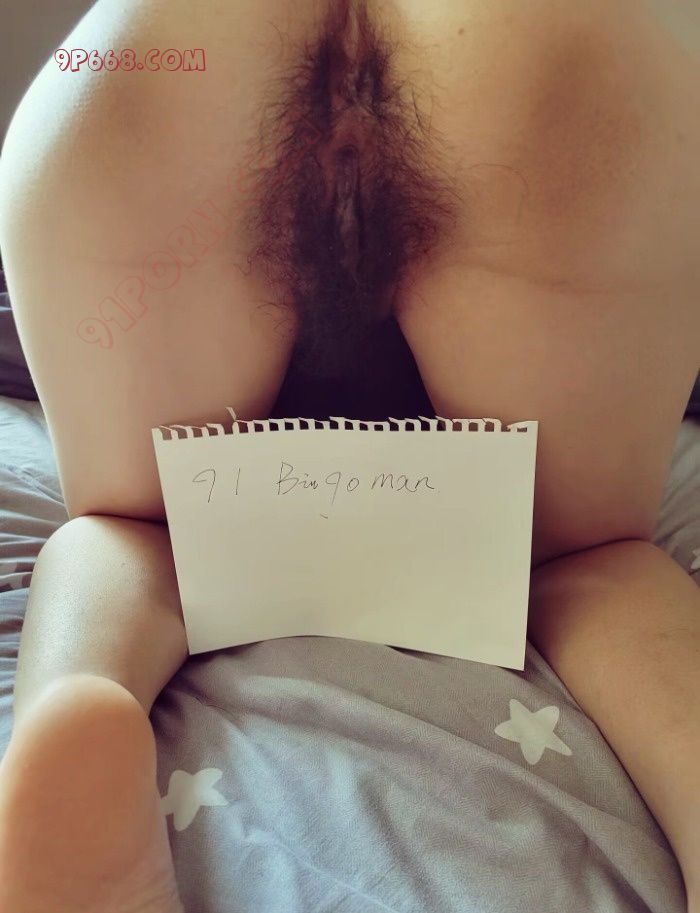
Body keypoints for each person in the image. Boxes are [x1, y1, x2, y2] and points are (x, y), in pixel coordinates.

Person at [0, 0, 698, 910]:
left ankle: (74, 705)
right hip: (530, 39)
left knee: (130, 531)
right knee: (593, 561)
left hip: (168, 50)